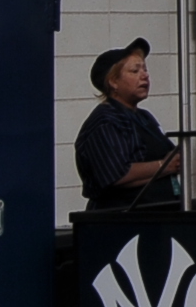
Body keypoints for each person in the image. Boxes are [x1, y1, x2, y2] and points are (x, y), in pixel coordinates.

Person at [75, 40, 176, 207]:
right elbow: (116, 174)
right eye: (135, 71)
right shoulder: (105, 122)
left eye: (145, 69)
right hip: (123, 220)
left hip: (159, 214)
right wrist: (164, 166)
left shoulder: (144, 117)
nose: (145, 75)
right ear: (113, 82)